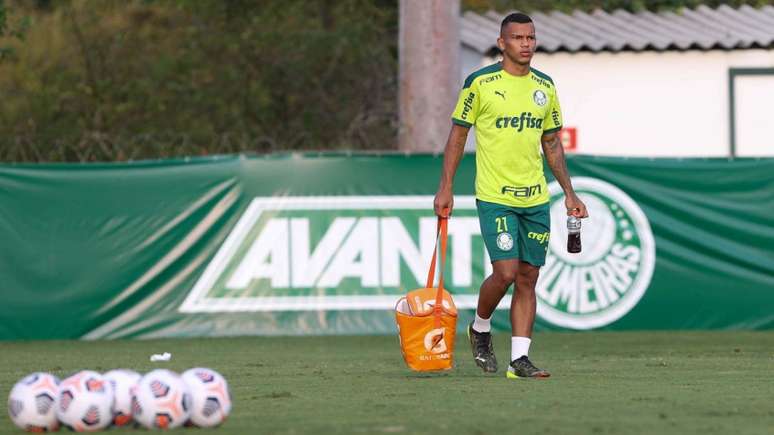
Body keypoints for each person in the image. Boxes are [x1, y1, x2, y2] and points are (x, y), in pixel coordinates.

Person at [433, 12, 588, 379]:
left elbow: (551, 142)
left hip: (534, 198)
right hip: (495, 195)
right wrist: (446, 186)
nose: (526, 44)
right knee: (504, 273)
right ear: (502, 43)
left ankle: (519, 361)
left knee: (528, 276)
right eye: (518, 38)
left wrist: (569, 193)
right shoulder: (480, 83)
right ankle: (481, 328)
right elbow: (458, 135)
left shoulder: (545, 87)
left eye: (531, 37)